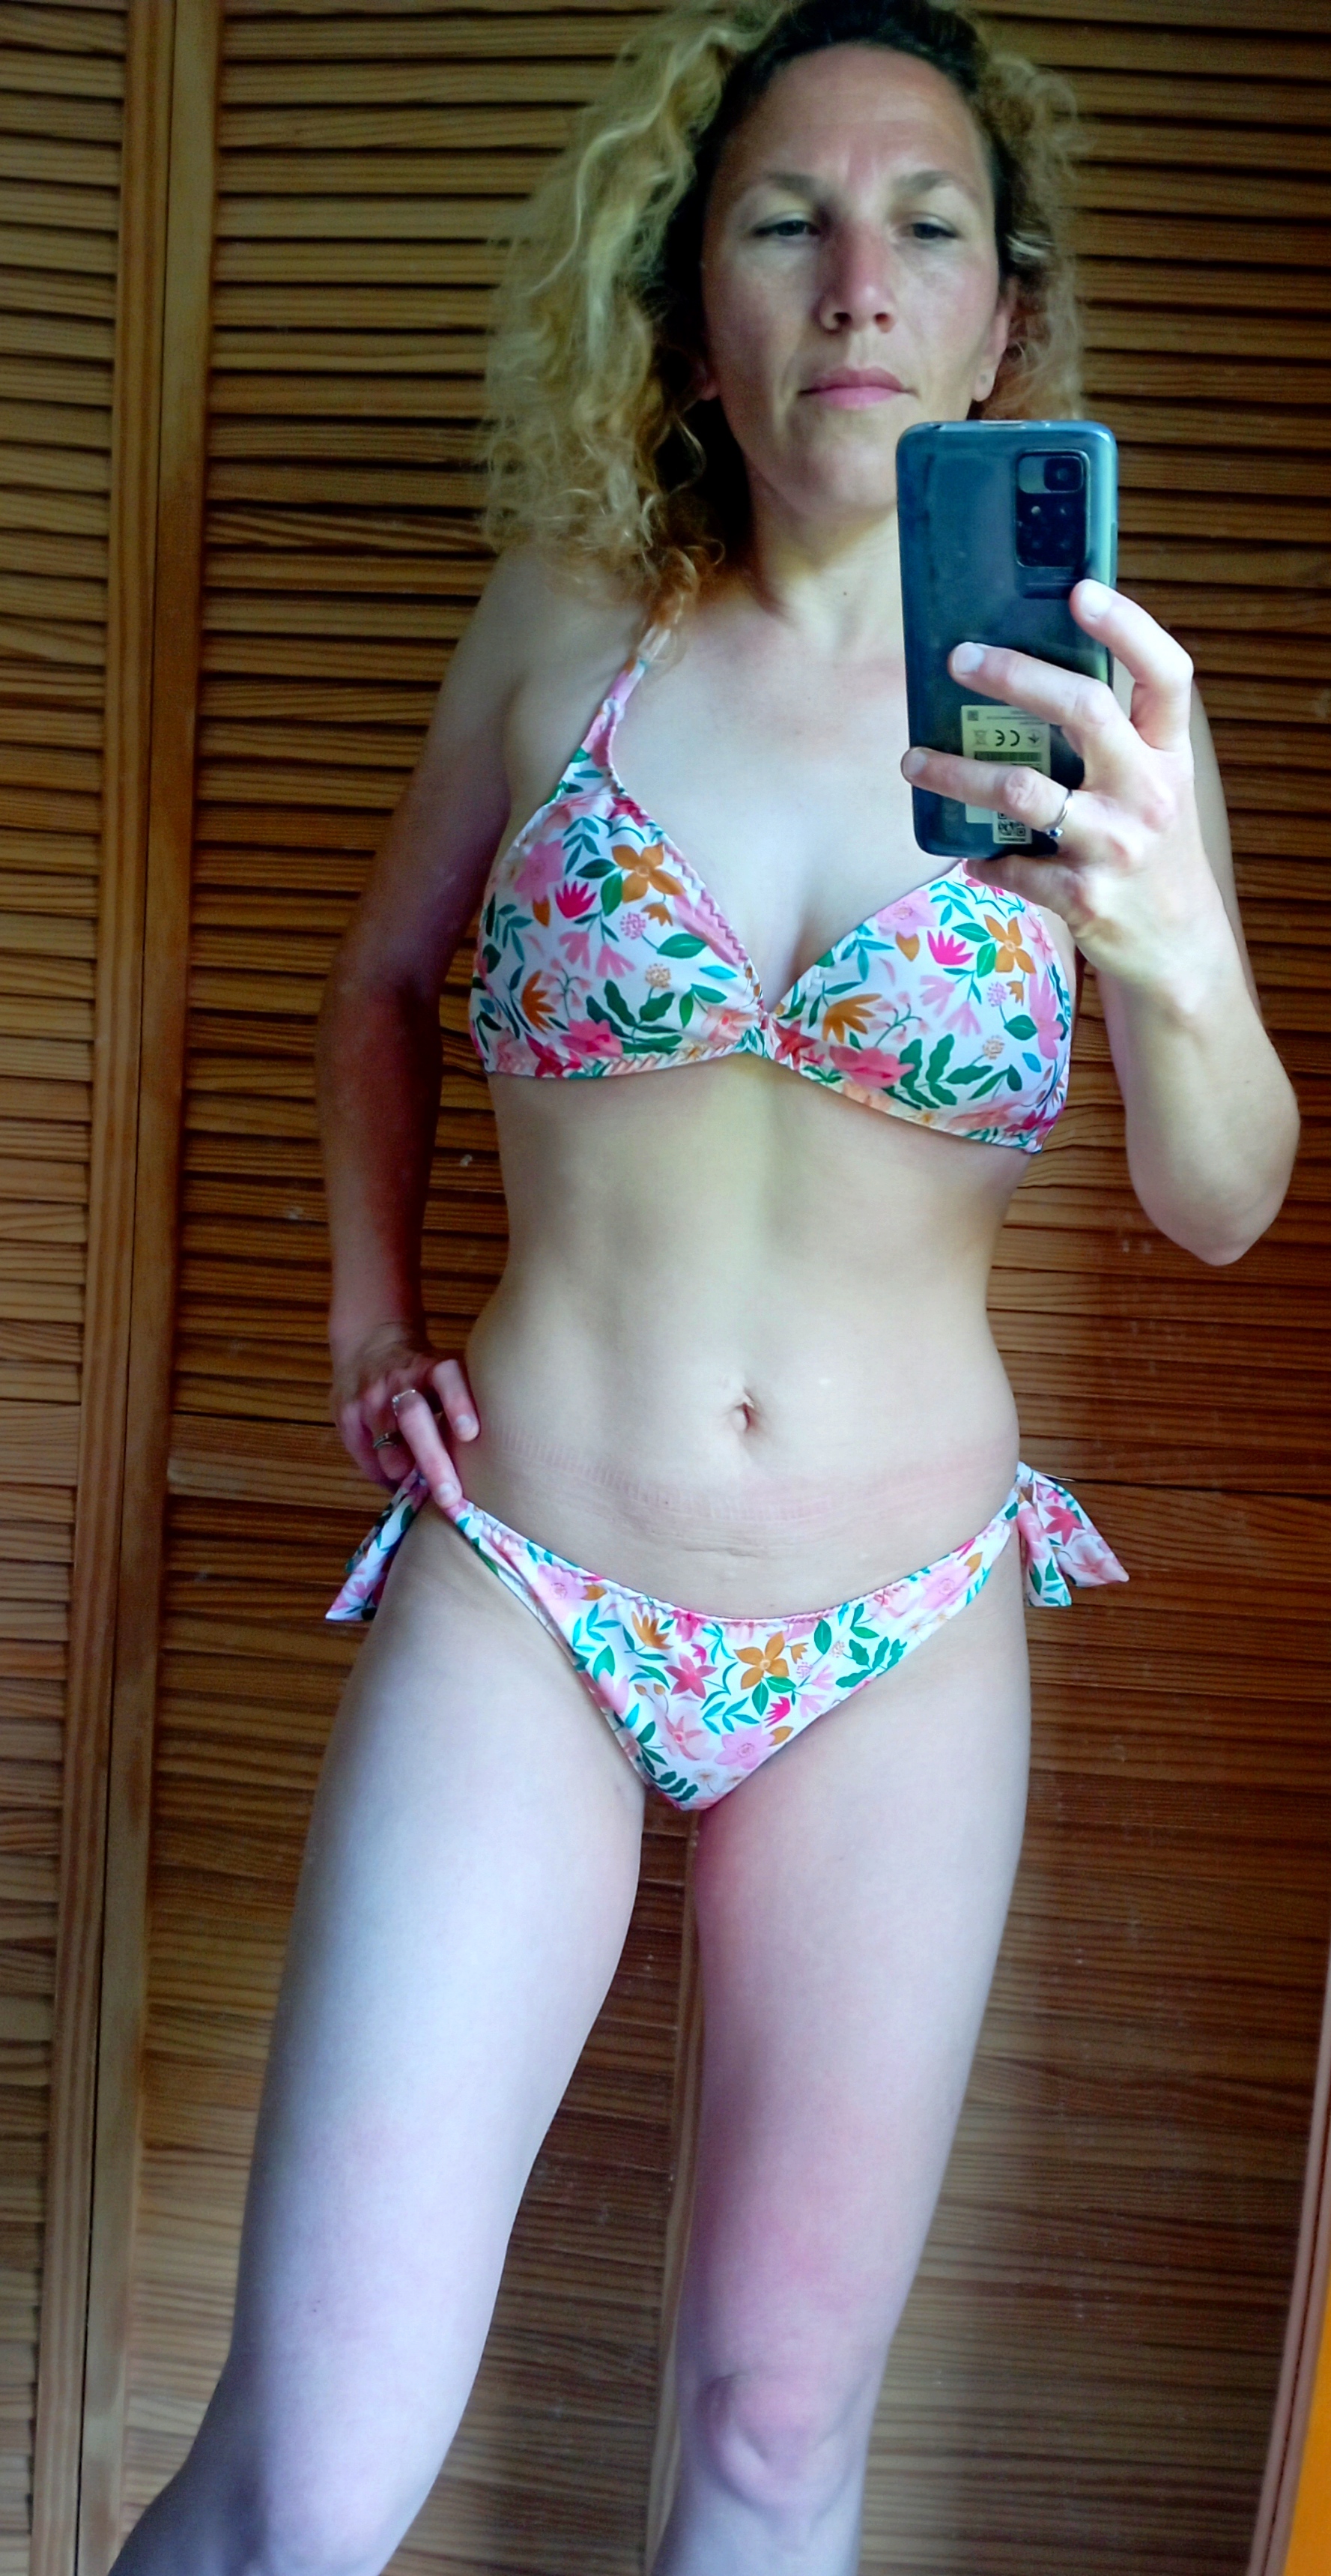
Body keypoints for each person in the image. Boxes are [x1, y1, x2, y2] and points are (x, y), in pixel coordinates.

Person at [112, 1, 1298, 2571]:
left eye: (927, 227)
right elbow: (374, 982)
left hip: (901, 1626)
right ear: (689, 306)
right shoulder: (570, 624)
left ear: (1005, 313)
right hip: (528, 1581)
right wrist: (362, 1324)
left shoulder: (1091, 704)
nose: (858, 281)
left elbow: (1221, 1200)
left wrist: (1178, 945)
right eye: (786, 221)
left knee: (771, 2437)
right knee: (307, 2482)